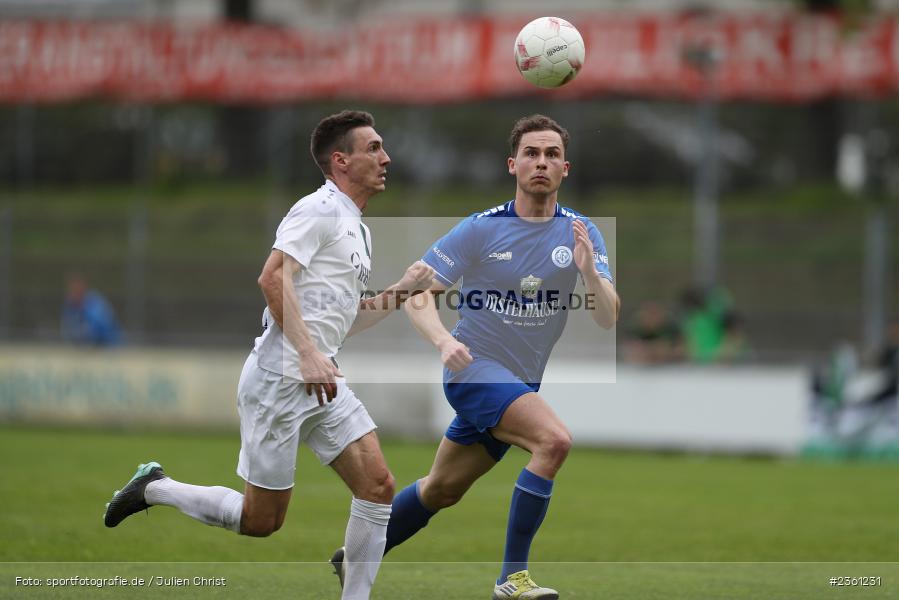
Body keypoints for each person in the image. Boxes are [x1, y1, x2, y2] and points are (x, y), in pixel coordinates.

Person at [103, 110, 434, 600]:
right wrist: (307, 353)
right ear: (340, 161)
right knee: (262, 521)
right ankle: (154, 487)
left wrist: (402, 291)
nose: (386, 158)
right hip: (281, 379)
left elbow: (349, 317)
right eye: (374, 148)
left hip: (322, 380)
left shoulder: (359, 230)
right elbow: (272, 278)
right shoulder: (316, 210)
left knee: (379, 485)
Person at [333, 114, 619, 599]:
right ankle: (512, 579)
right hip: (474, 372)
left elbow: (609, 316)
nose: (541, 163)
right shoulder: (482, 229)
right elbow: (420, 294)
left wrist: (590, 274)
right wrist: (445, 341)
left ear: (565, 168)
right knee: (554, 442)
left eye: (552, 155)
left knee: (441, 489)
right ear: (513, 164)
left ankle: (356, 557)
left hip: (520, 385)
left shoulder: (582, 232)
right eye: (532, 154)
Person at [61, 272, 121, 346]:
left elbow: (101, 330)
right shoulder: (70, 305)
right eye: (72, 289)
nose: (74, 292)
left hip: (108, 346)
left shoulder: (95, 302)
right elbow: (68, 329)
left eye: (76, 288)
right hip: (85, 348)